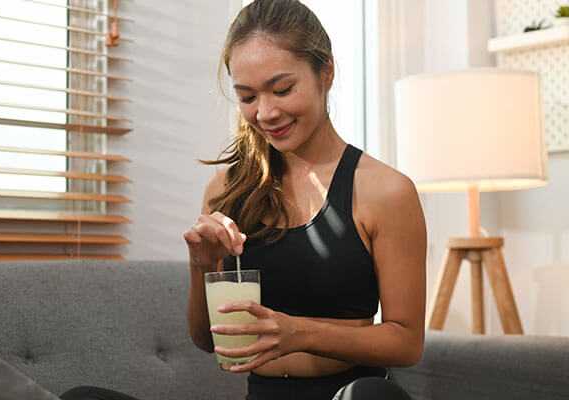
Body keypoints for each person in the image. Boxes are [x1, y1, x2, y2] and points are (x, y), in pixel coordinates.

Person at [183, 1, 427, 399]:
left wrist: (298, 333)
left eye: (282, 89)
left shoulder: (386, 191)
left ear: (325, 72)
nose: (265, 112)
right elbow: (207, 340)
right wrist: (202, 265)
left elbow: (406, 342)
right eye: (247, 97)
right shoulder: (226, 190)